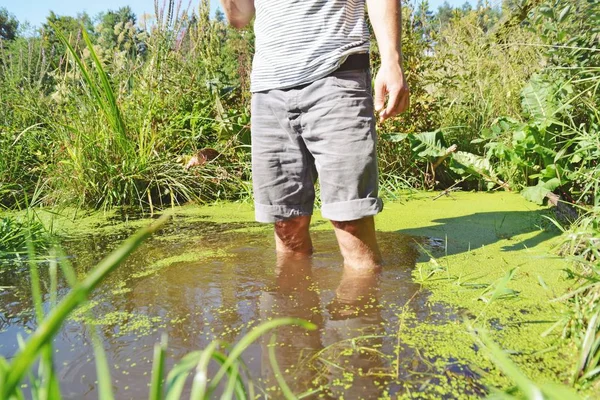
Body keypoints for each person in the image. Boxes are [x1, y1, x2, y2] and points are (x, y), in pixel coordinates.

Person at [220, 0, 410, 271]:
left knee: (351, 221)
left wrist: (391, 59)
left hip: (337, 74)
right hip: (268, 89)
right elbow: (240, 17)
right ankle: (294, 309)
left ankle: (362, 310)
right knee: (287, 226)